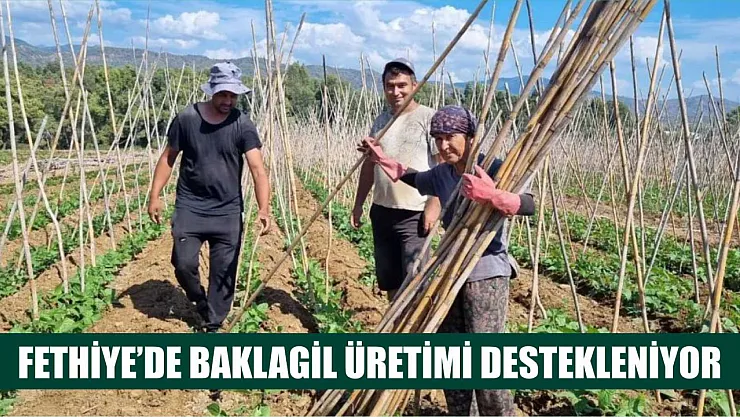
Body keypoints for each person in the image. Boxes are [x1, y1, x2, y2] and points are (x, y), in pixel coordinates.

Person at [359, 105, 535, 416]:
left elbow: (528, 204)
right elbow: (411, 177)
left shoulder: (495, 168)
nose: (443, 145)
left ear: (471, 137)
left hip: (485, 271)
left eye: (450, 137)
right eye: (437, 138)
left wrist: (492, 195)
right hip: (449, 272)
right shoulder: (443, 174)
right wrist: (381, 158)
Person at [147, 62, 271, 333]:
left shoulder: (242, 124)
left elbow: (258, 169)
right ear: (212, 91)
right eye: (223, 94)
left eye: (233, 95)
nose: (228, 101)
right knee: (183, 263)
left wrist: (264, 208)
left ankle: (213, 324)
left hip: (227, 211)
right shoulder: (187, 119)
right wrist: (154, 195)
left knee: (224, 273)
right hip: (190, 206)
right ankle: (199, 301)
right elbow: (168, 158)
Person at [351, 58, 441, 301]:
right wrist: (359, 204)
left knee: (415, 279)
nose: (396, 91)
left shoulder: (429, 118)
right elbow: (370, 165)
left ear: (414, 86)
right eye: (390, 86)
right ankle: (394, 321)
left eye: (402, 85)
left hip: (415, 213)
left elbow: (442, 166)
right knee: (389, 279)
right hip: (382, 211)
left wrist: (433, 204)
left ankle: (416, 323)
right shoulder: (381, 121)